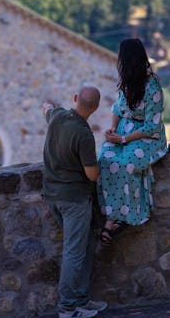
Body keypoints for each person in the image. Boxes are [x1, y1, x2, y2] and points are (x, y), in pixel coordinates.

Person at [42, 86, 107, 318]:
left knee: (85, 245)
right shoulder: (83, 134)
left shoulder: (57, 116)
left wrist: (50, 104)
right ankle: (68, 309)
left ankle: (81, 300)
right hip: (74, 200)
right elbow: (92, 174)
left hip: (53, 195)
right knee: (74, 252)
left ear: (75, 98)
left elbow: (46, 108)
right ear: (96, 108)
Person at [97, 38, 167, 245]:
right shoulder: (127, 81)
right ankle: (115, 213)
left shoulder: (153, 87)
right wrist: (113, 129)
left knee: (127, 164)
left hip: (147, 137)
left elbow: (151, 126)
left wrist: (124, 138)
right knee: (105, 160)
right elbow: (118, 108)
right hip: (123, 131)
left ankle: (117, 219)